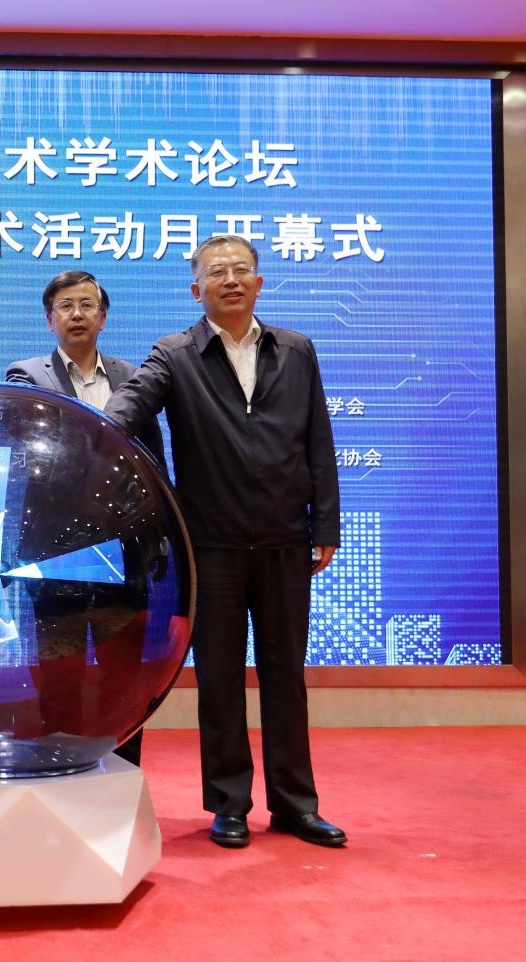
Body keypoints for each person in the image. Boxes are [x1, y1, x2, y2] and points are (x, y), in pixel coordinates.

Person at [104, 234, 345, 849]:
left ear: (259, 283)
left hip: (285, 539)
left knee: (286, 675)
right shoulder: (176, 353)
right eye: (217, 272)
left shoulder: (296, 349)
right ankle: (229, 804)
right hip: (210, 545)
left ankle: (295, 804)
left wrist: (325, 525)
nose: (230, 279)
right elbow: (130, 406)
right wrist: (91, 427)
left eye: (241, 270)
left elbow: (318, 439)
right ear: (197, 289)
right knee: (218, 677)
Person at [5, 269, 166, 767]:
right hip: (57, 554)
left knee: (125, 676)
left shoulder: (133, 378)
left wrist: (158, 533)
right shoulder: (26, 375)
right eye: (66, 306)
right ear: (50, 320)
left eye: (87, 305)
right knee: (60, 676)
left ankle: (123, 776)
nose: (77, 314)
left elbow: (151, 462)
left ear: (103, 317)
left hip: (124, 550)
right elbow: (35, 450)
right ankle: (61, 770)